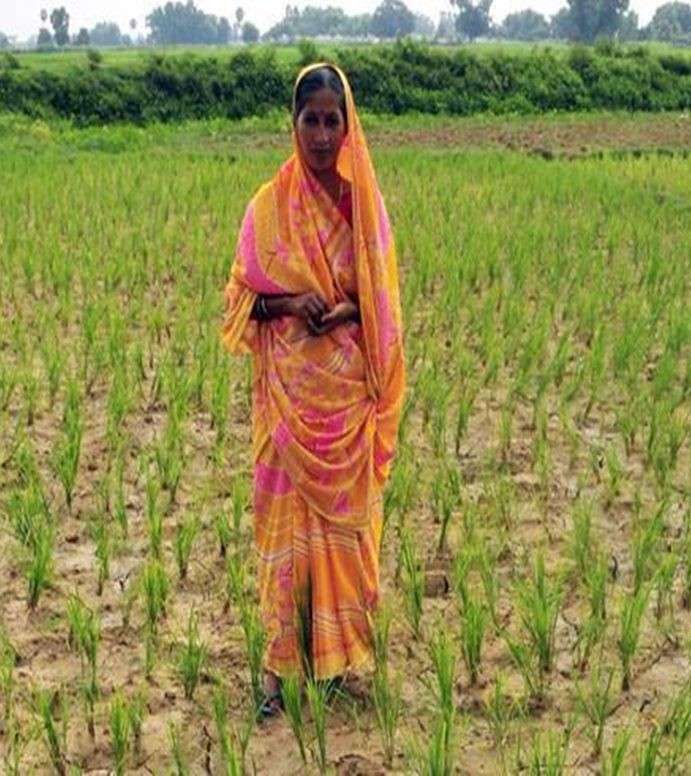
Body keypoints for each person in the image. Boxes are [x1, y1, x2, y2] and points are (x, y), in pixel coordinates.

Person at [221, 62, 406, 718]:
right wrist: (290, 303)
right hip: (286, 403)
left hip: (343, 402)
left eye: (333, 121)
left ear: (348, 127)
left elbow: (381, 302)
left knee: (340, 539)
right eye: (311, 121)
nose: (323, 135)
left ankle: (332, 666)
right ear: (293, 124)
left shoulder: (363, 208)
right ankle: (276, 676)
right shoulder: (268, 207)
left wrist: (347, 310)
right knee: (282, 539)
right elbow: (238, 300)